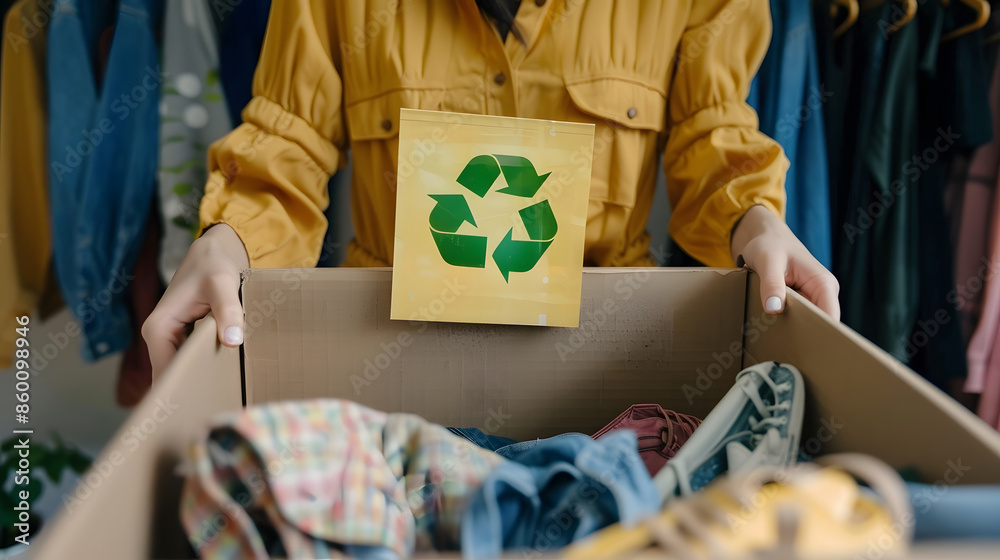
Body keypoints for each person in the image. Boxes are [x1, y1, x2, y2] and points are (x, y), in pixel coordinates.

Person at [142, 0, 840, 378]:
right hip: (381, 367)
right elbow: (289, 139)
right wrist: (227, 242)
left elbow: (711, 135)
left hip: (610, 368)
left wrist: (757, 222)